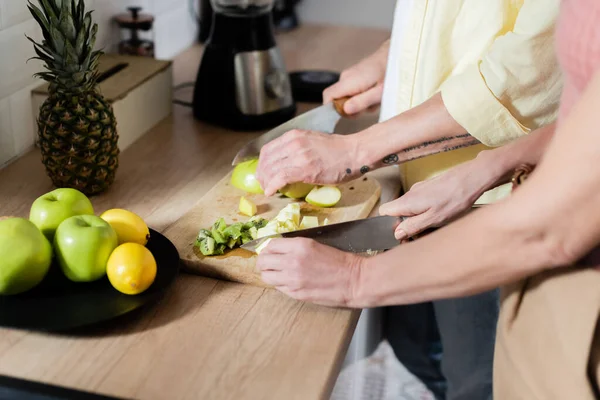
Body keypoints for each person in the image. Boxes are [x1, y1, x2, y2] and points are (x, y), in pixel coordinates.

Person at [256, 0, 600, 397]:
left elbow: (548, 228)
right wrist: (399, 56)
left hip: (567, 277)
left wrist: (355, 279)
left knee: (476, 382)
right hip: (462, 186)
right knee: (421, 353)